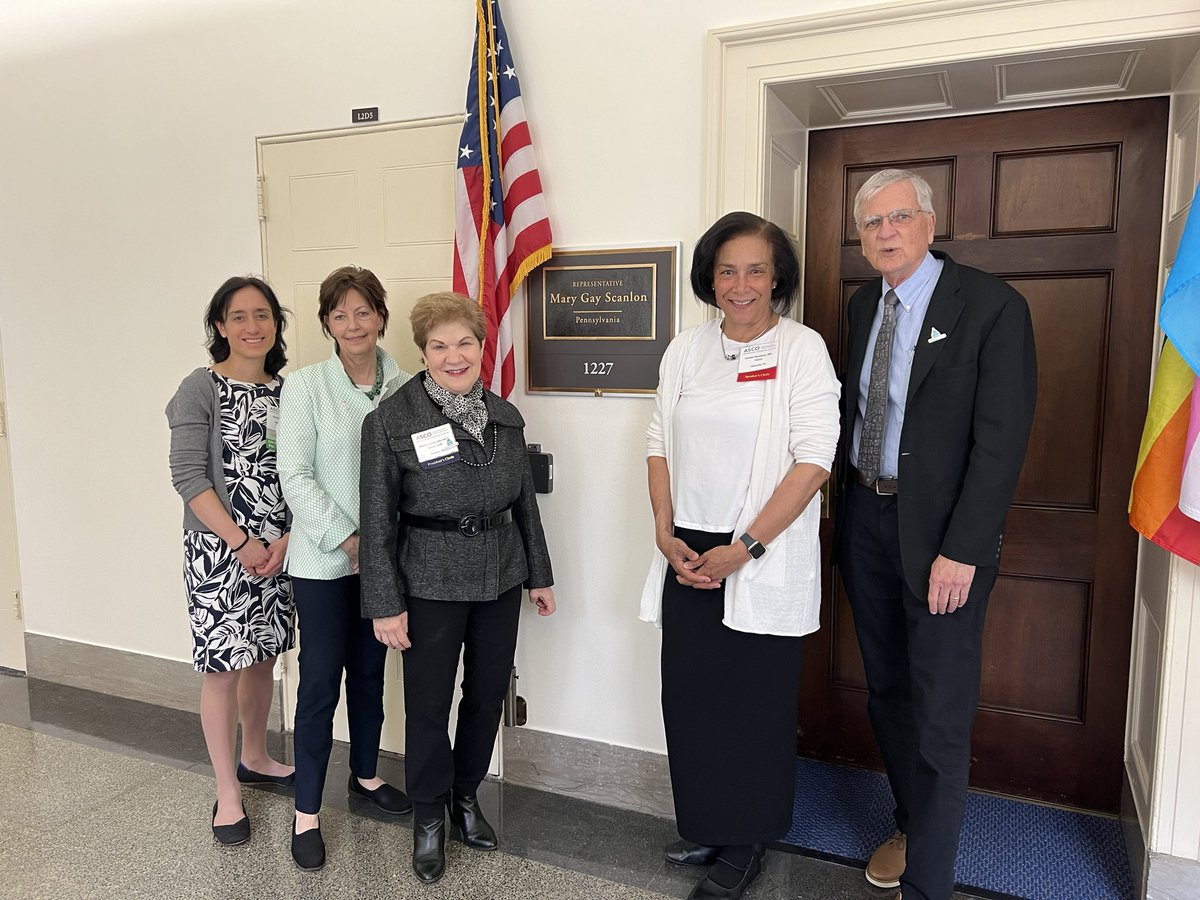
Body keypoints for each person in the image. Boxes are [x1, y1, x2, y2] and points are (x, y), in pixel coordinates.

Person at [835, 169, 1037, 900]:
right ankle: (910, 821)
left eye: (899, 218)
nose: (885, 233)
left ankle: (930, 885)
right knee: (886, 690)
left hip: (944, 540)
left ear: (929, 223)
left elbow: (1001, 442)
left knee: (940, 708)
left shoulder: (990, 306)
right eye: (871, 224)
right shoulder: (863, 305)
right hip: (865, 522)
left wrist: (964, 550)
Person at [639, 212, 841, 900]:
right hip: (687, 547)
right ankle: (706, 823)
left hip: (758, 550)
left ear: (777, 275)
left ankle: (748, 838)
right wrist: (666, 534)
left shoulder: (802, 349)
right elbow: (658, 441)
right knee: (692, 698)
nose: (741, 283)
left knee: (752, 704)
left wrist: (745, 547)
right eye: (727, 269)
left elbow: (815, 460)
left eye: (756, 269)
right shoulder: (686, 351)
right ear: (710, 278)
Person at [359, 291, 556, 885]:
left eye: (464, 343)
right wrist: (385, 605)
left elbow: (525, 504)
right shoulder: (390, 420)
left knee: (486, 692)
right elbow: (378, 522)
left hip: (500, 574)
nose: (453, 356)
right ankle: (427, 816)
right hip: (428, 580)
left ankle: (464, 798)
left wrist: (540, 576)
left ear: (480, 347)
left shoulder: (504, 416)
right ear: (422, 352)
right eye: (439, 346)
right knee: (427, 704)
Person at [276, 266, 413, 870]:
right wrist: (352, 540)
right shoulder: (307, 386)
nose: (352, 324)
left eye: (363, 312)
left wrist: (385, 549)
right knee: (320, 682)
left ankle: (364, 775)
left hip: (384, 563)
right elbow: (295, 477)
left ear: (381, 317)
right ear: (328, 324)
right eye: (340, 315)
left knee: (370, 674)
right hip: (324, 564)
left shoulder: (406, 386)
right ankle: (307, 812)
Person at [166, 276, 295, 846]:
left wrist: (286, 539)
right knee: (221, 670)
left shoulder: (288, 391)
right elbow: (189, 477)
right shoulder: (199, 388)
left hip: (281, 552)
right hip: (220, 551)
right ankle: (227, 792)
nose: (251, 326)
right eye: (238, 316)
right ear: (219, 326)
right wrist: (242, 542)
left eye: (262, 315)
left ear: (275, 324)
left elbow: (301, 473)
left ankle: (257, 755)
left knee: (263, 657)